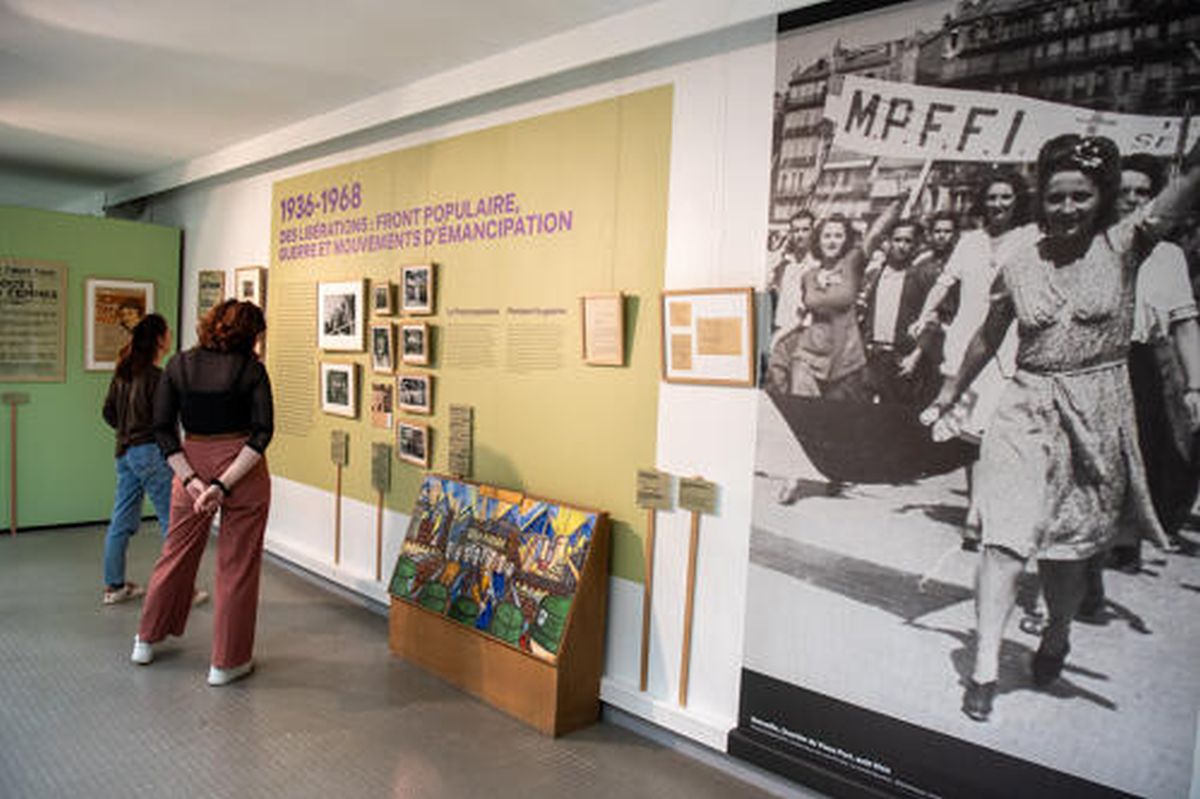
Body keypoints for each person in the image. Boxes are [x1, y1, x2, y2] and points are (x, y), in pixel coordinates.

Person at [922, 134, 1200, 723]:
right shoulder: (1020, 261)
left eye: (1080, 197)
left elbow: (1179, 196)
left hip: (1097, 410)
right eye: (1055, 197)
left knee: (1067, 554)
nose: (1066, 208)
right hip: (1025, 406)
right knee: (1003, 540)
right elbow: (989, 334)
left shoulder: (1126, 246)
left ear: (1100, 199)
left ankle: (1057, 636)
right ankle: (986, 667)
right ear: (1041, 200)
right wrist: (948, 393)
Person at [132, 300, 273, 687]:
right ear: (252, 335)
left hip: (189, 463)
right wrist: (223, 484)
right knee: (237, 566)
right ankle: (226, 663)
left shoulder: (179, 365)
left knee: (175, 555)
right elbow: (262, 433)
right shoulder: (251, 370)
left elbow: (161, 428)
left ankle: (145, 639)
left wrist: (193, 481)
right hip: (242, 469)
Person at [911, 169, 1033, 541]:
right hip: (968, 346)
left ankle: (989, 509)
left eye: (1006, 198)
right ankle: (975, 512)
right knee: (969, 435)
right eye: (992, 198)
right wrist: (924, 315)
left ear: (1018, 201)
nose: (998, 205)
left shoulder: (1031, 237)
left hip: (1010, 345)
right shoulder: (970, 242)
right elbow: (944, 282)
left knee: (999, 433)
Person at [101, 314, 173, 604]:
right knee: (173, 522)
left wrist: (126, 430)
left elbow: (108, 413)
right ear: (158, 339)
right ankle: (178, 591)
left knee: (121, 520)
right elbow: (165, 420)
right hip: (151, 453)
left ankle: (114, 587)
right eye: (167, 333)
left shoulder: (123, 372)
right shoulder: (158, 378)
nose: (169, 337)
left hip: (125, 452)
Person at [860, 219, 942, 406]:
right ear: (888, 241)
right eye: (897, 240)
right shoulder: (875, 275)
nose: (902, 246)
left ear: (915, 245)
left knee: (898, 417)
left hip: (901, 359)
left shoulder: (922, 276)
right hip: (872, 357)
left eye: (908, 241)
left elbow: (931, 321)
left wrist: (915, 357)